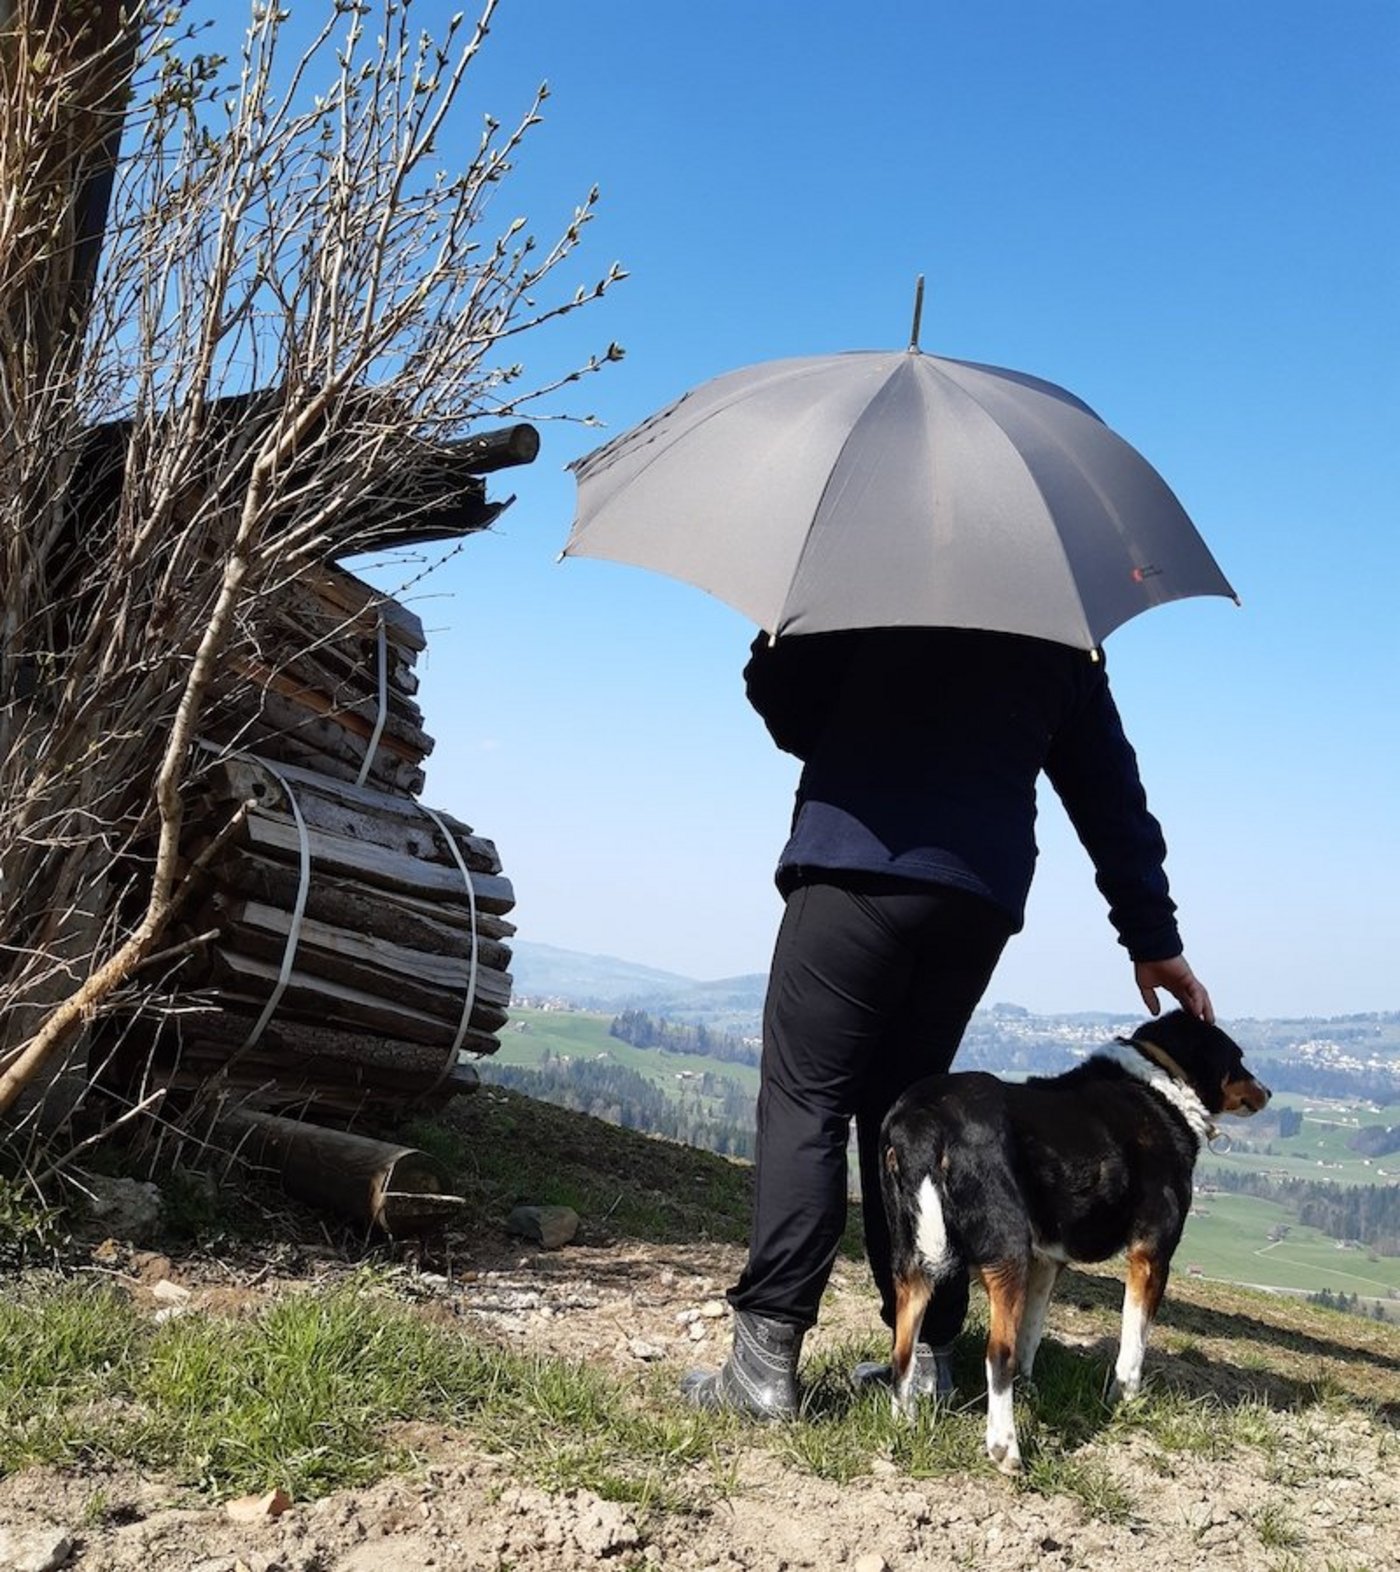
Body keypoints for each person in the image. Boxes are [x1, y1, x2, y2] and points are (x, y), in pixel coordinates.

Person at [681, 625, 1214, 1419]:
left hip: (857, 865)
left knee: (806, 1098)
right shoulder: (1055, 623)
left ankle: (763, 1369)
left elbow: (795, 717)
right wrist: (1153, 937)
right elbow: (1108, 790)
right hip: (975, 897)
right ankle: (927, 1369)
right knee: (913, 1122)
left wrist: (774, 642)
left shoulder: (863, 586)